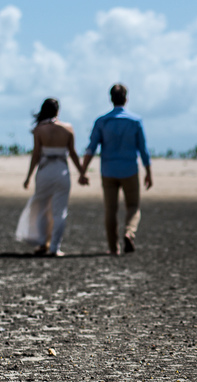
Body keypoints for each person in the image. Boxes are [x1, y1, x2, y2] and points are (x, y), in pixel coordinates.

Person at [81, 83, 152, 255]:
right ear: (126, 99)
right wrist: (149, 172)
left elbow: (91, 148)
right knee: (133, 206)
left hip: (108, 170)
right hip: (129, 169)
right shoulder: (135, 121)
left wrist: (83, 171)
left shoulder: (102, 121)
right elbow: (143, 149)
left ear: (111, 99)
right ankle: (129, 232)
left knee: (110, 210)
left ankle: (113, 248)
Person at [16, 98, 85, 256]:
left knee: (41, 208)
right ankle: (54, 247)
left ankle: (42, 243)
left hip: (45, 170)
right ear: (57, 111)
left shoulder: (39, 129)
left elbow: (36, 155)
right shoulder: (68, 128)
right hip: (61, 170)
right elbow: (73, 153)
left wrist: (28, 177)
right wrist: (82, 172)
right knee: (60, 212)